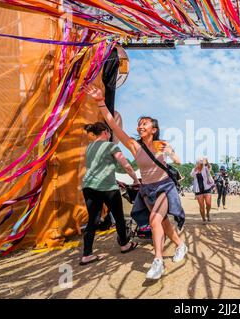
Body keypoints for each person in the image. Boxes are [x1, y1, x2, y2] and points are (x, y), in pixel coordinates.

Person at [86, 85, 188, 280]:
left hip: (164, 187)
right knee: (164, 222)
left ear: (154, 129)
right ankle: (181, 245)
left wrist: (171, 154)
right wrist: (100, 102)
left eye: (145, 123)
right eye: (139, 123)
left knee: (154, 220)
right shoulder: (134, 146)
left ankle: (158, 261)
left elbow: (178, 161)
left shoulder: (161, 144)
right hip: (147, 189)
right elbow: (114, 126)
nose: (141, 125)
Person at [80, 122, 140, 266]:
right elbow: (126, 165)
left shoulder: (89, 147)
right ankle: (125, 245)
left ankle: (87, 254)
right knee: (119, 217)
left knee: (92, 220)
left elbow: (98, 169)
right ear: (106, 132)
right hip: (107, 188)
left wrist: (116, 180)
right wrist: (136, 180)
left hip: (89, 186)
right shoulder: (111, 146)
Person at [191, 158, 215, 224]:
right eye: (199, 163)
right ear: (197, 164)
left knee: (208, 204)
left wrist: (206, 161)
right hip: (198, 190)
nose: (201, 164)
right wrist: (197, 168)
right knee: (201, 206)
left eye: (201, 163)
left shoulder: (205, 168)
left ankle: (208, 213)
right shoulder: (194, 170)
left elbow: (209, 167)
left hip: (207, 188)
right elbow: (192, 175)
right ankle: (204, 219)